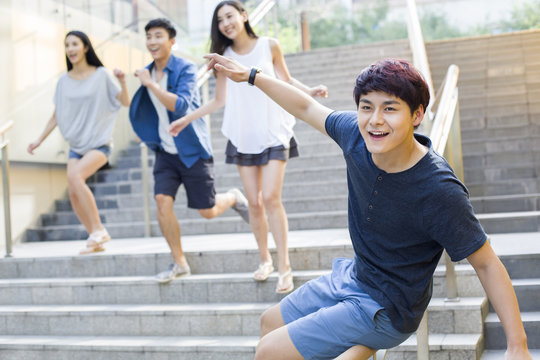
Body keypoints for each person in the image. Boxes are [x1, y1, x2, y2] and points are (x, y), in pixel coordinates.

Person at [203, 54, 533, 360]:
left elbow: (487, 264)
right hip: (354, 277)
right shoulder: (356, 135)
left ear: (417, 115)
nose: (375, 121)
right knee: (268, 322)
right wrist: (251, 76)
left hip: (390, 307)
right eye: (366, 107)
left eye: (390, 109)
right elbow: (305, 107)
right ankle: (359, 348)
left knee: (268, 351)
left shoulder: (438, 189)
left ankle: (363, 345)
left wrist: (517, 345)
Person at [168, 0, 328, 294]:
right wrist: (185, 119)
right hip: (243, 135)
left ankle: (284, 267)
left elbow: (285, 79)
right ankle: (264, 259)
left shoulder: (270, 45)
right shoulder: (223, 57)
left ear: (243, 16)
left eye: (229, 16)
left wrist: (309, 93)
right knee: (253, 203)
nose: (225, 23)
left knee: (270, 198)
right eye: (219, 20)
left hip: (273, 130)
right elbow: (219, 100)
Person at [128, 18, 250, 283]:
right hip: (165, 153)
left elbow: (181, 106)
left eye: (158, 36)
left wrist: (151, 84)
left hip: (192, 149)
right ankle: (179, 261)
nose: (152, 42)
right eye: (148, 36)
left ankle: (231, 197)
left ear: (172, 41)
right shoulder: (149, 71)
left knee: (207, 211)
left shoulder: (184, 69)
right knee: (162, 202)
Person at [28, 30, 130, 255]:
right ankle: (95, 237)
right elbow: (57, 115)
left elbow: (124, 102)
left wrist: (122, 82)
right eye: (67, 45)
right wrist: (38, 140)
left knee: (76, 177)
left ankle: (99, 229)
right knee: (73, 191)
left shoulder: (102, 75)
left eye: (75, 44)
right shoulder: (63, 81)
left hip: (99, 143)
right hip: (76, 145)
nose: (70, 49)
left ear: (85, 47)